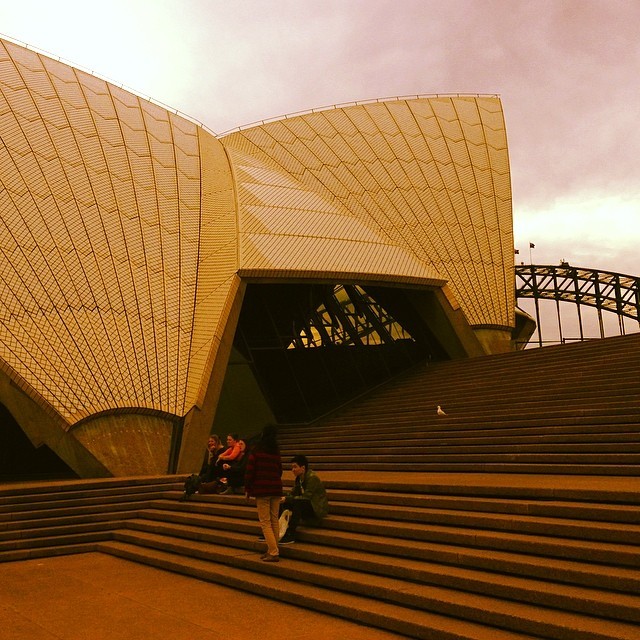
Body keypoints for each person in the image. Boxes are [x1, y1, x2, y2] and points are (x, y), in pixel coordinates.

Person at [244, 425, 283, 562]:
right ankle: (272, 549)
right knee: (274, 521)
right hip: (276, 489)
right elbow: (279, 471)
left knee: (265, 522)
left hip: (262, 490)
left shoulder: (257, 450)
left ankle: (273, 552)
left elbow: (250, 472)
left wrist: (248, 489)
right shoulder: (275, 451)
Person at [279, 454, 328, 544]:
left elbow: (307, 497)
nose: (292, 470)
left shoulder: (312, 478)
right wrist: (284, 498)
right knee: (283, 502)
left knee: (297, 502)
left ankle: (291, 534)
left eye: (295, 467)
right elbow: (293, 493)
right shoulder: (299, 479)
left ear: (303, 468)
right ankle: (277, 529)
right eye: (292, 467)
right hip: (306, 504)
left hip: (316, 507)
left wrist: (289, 498)